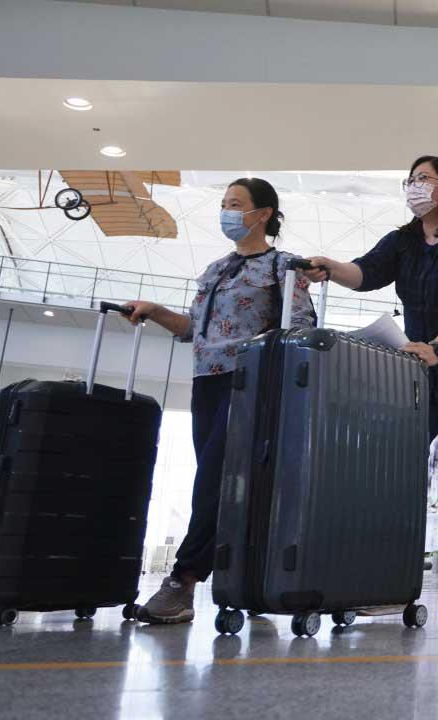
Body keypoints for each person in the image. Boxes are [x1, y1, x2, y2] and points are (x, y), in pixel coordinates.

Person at [305, 156, 438, 619]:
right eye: (410, 180)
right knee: (393, 467)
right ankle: (384, 577)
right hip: (422, 373)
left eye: (423, 179)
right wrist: (331, 267)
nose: (414, 187)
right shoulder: (403, 242)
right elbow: (366, 273)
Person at [122, 177, 317, 624]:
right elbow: (194, 328)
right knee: (224, 483)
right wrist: (154, 311)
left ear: (263, 214)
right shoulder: (216, 269)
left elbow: (301, 325)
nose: (227, 211)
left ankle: (183, 580)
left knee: (213, 479)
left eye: (236, 204)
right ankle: (251, 575)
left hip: (250, 381)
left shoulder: (283, 266)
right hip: (206, 380)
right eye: (224, 203)